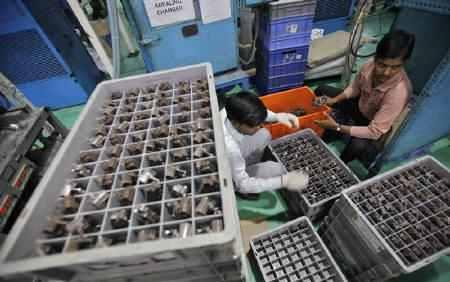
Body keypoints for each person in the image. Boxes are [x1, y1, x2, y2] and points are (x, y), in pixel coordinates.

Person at [314, 29, 415, 165]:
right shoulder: (369, 65)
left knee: (357, 146)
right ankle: (332, 128)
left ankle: (339, 165)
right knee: (322, 90)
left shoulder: (399, 92)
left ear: (405, 63)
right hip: (360, 107)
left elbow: (374, 132)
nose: (386, 72)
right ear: (376, 57)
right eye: (382, 65)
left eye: (395, 67)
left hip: (372, 124)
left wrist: (337, 127)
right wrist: (334, 100)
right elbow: (355, 88)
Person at [221, 91, 309, 197]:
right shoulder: (230, 148)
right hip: (227, 176)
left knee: (264, 134)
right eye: (254, 125)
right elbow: (243, 184)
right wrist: (283, 181)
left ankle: (247, 167)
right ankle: (239, 187)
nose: (259, 127)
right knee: (276, 169)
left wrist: (276, 116)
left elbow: (253, 113)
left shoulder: (228, 110)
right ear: (236, 123)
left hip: (231, 157)